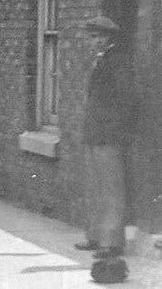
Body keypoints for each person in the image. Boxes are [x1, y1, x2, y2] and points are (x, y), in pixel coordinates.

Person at [75, 16, 136, 284]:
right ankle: (96, 237)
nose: (95, 41)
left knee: (110, 190)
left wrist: (112, 129)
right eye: (92, 37)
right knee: (95, 187)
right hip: (94, 135)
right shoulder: (100, 60)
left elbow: (125, 100)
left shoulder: (117, 62)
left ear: (109, 37)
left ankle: (110, 242)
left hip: (108, 137)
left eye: (100, 37)